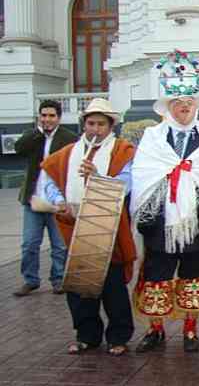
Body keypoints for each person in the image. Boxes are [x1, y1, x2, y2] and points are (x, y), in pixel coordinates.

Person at [131, 50, 199, 353]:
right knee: (157, 279)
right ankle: (155, 330)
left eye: (189, 103)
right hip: (161, 224)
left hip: (196, 224)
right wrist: (147, 216)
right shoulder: (153, 138)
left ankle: (190, 330)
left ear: (195, 105)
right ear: (168, 107)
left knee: (192, 278)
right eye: (178, 104)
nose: (184, 108)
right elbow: (143, 176)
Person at [40, 98, 137, 356]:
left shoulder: (122, 150)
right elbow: (48, 180)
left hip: (110, 227)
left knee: (113, 287)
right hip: (75, 226)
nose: (95, 129)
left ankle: (118, 336)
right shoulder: (68, 152)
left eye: (100, 124)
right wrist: (59, 201)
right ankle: (87, 336)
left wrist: (98, 177)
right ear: (84, 124)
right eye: (90, 123)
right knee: (80, 285)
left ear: (111, 125)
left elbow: (127, 183)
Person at [13, 100, 77, 296]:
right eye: (44, 115)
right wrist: (37, 133)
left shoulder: (69, 138)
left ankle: (58, 279)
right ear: (39, 116)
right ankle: (30, 280)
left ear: (59, 117)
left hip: (57, 200)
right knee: (30, 243)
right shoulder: (32, 135)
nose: (47, 119)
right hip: (33, 198)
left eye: (51, 116)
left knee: (59, 245)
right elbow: (19, 148)